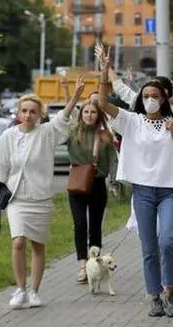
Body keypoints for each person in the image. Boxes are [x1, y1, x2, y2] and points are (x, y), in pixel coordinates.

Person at [97, 48, 173, 318]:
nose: (151, 100)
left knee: (166, 241)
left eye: (156, 96)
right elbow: (103, 104)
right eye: (147, 96)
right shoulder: (132, 121)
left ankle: (170, 291)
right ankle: (154, 297)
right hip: (142, 192)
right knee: (149, 247)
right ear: (142, 99)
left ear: (164, 99)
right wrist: (104, 72)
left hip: (169, 191)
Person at [0, 82, 83, 309]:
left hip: (40, 197)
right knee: (18, 242)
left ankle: (34, 291)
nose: (28, 115)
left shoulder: (47, 133)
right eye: (24, 110)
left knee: (38, 245)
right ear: (19, 113)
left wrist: (75, 95)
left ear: (39, 113)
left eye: (33, 111)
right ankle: (20, 289)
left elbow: (64, 117)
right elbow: (0, 163)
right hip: (16, 198)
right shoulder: (9, 136)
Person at [67, 99, 118, 283]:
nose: (89, 115)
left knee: (95, 226)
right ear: (81, 114)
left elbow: (113, 160)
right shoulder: (73, 133)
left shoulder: (105, 136)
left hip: (97, 184)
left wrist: (113, 182)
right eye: (86, 112)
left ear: (98, 115)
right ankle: (82, 266)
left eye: (93, 112)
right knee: (80, 224)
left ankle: (94, 263)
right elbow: (55, 133)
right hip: (77, 184)